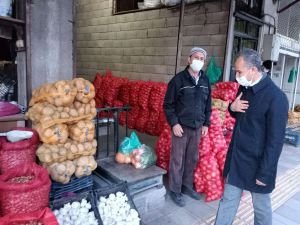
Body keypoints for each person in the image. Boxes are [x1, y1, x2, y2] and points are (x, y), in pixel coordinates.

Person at [214, 48, 289, 225]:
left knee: (261, 208)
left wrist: (265, 173)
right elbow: (241, 116)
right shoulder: (245, 88)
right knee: (227, 201)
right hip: (237, 160)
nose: (236, 75)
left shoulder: (276, 98)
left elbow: (275, 141)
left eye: (239, 71)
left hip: (258, 165)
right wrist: (232, 108)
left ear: (253, 70)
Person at [163, 47, 212, 207]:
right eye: (196, 57)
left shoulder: (205, 81)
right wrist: (174, 123)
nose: (199, 61)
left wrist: (206, 123)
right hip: (181, 127)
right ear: (189, 60)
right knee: (178, 159)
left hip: (197, 127)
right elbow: (168, 105)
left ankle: (186, 186)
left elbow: (208, 105)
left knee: (192, 158)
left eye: (202, 59)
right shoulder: (178, 80)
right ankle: (175, 190)